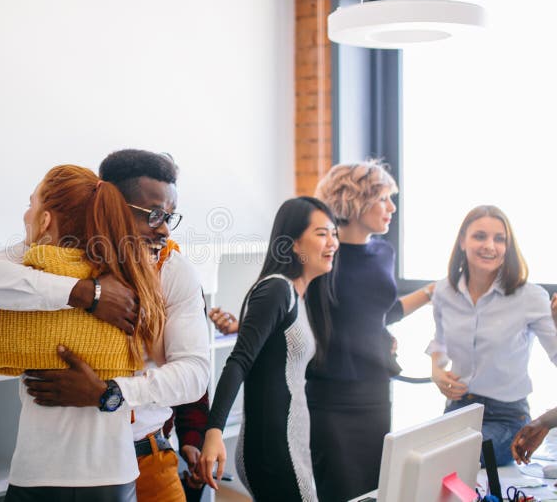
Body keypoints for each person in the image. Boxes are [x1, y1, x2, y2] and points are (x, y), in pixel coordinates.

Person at [0, 149, 210, 502]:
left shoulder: (173, 270)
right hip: (53, 466)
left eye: (170, 216)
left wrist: (110, 393)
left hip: (147, 455)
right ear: (109, 205)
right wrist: (84, 292)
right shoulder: (53, 255)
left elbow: (196, 373)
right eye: (153, 216)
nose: (165, 229)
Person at [207, 161, 434, 501]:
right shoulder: (314, 267)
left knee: (373, 490)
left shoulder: (379, 253)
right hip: (328, 399)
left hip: (373, 393)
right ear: (355, 202)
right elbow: (283, 320)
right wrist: (245, 326)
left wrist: (431, 294)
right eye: (383, 198)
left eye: (331, 234)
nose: (392, 207)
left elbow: (375, 314)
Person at [199, 197, 339, 502]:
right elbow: (239, 360)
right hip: (273, 448)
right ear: (293, 244)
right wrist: (213, 431)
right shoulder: (277, 289)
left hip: (292, 443)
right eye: (321, 233)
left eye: (334, 233)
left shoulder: (299, 296)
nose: (332, 242)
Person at [427, 205, 557, 466]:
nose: (490, 245)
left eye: (500, 239)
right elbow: (439, 342)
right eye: (480, 236)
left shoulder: (530, 296)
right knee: (417, 455)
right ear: (463, 240)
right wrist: (436, 370)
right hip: (457, 409)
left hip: (507, 416)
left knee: (453, 459)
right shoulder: (444, 291)